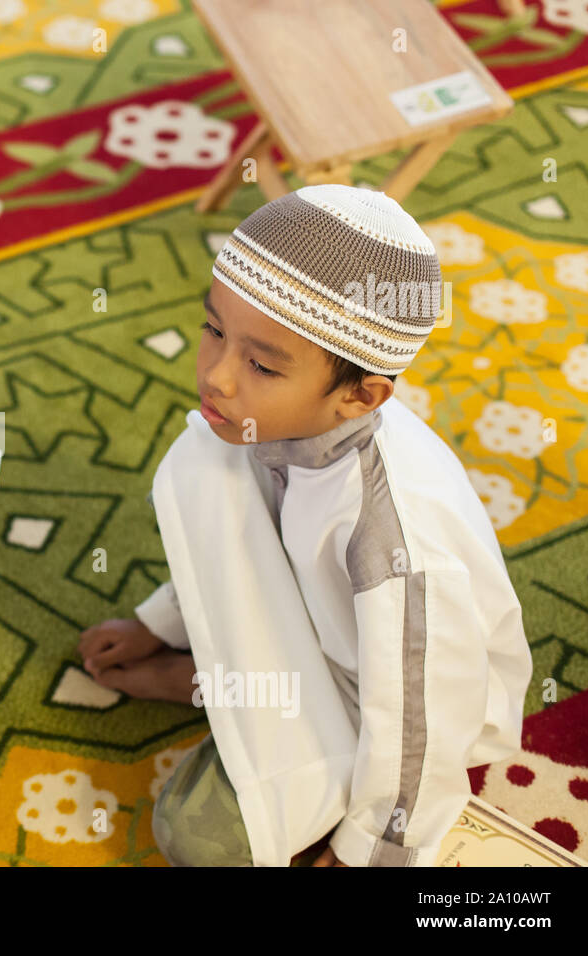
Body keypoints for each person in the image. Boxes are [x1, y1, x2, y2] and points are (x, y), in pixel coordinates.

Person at [77, 184, 532, 867]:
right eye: (213, 331)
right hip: (313, 636)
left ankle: (217, 690)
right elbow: (236, 541)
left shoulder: (393, 539)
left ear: (361, 395)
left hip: (378, 701)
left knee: (200, 840)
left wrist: (366, 853)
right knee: (207, 465)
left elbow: (421, 724)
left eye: (260, 363)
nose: (218, 377)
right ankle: (214, 680)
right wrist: (159, 623)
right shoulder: (269, 423)